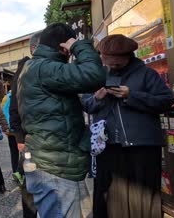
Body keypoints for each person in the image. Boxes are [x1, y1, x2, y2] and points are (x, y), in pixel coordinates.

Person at [17, 23, 106, 217]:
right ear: (63, 47)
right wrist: (79, 46)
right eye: (69, 48)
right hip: (54, 165)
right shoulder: (46, 68)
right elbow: (94, 75)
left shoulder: (34, 67)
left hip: (51, 159)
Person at [82, 34, 173, 218]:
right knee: (108, 199)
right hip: (108, 148)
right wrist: (97, 98)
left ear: (128, 57)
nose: (111, 67)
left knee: (143, 200)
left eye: (116, 63)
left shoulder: (147, 74)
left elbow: (166, 101)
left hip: (142, 148)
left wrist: (131, 96)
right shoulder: (98, 76)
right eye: (108, 62)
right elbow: (86, 105)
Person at [10, 32, 41, 218]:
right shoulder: (24, 69)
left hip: (49, 142)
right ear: (34, 48)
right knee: (30, 181)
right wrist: (20, 138)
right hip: (29, 139)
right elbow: (14, 106)